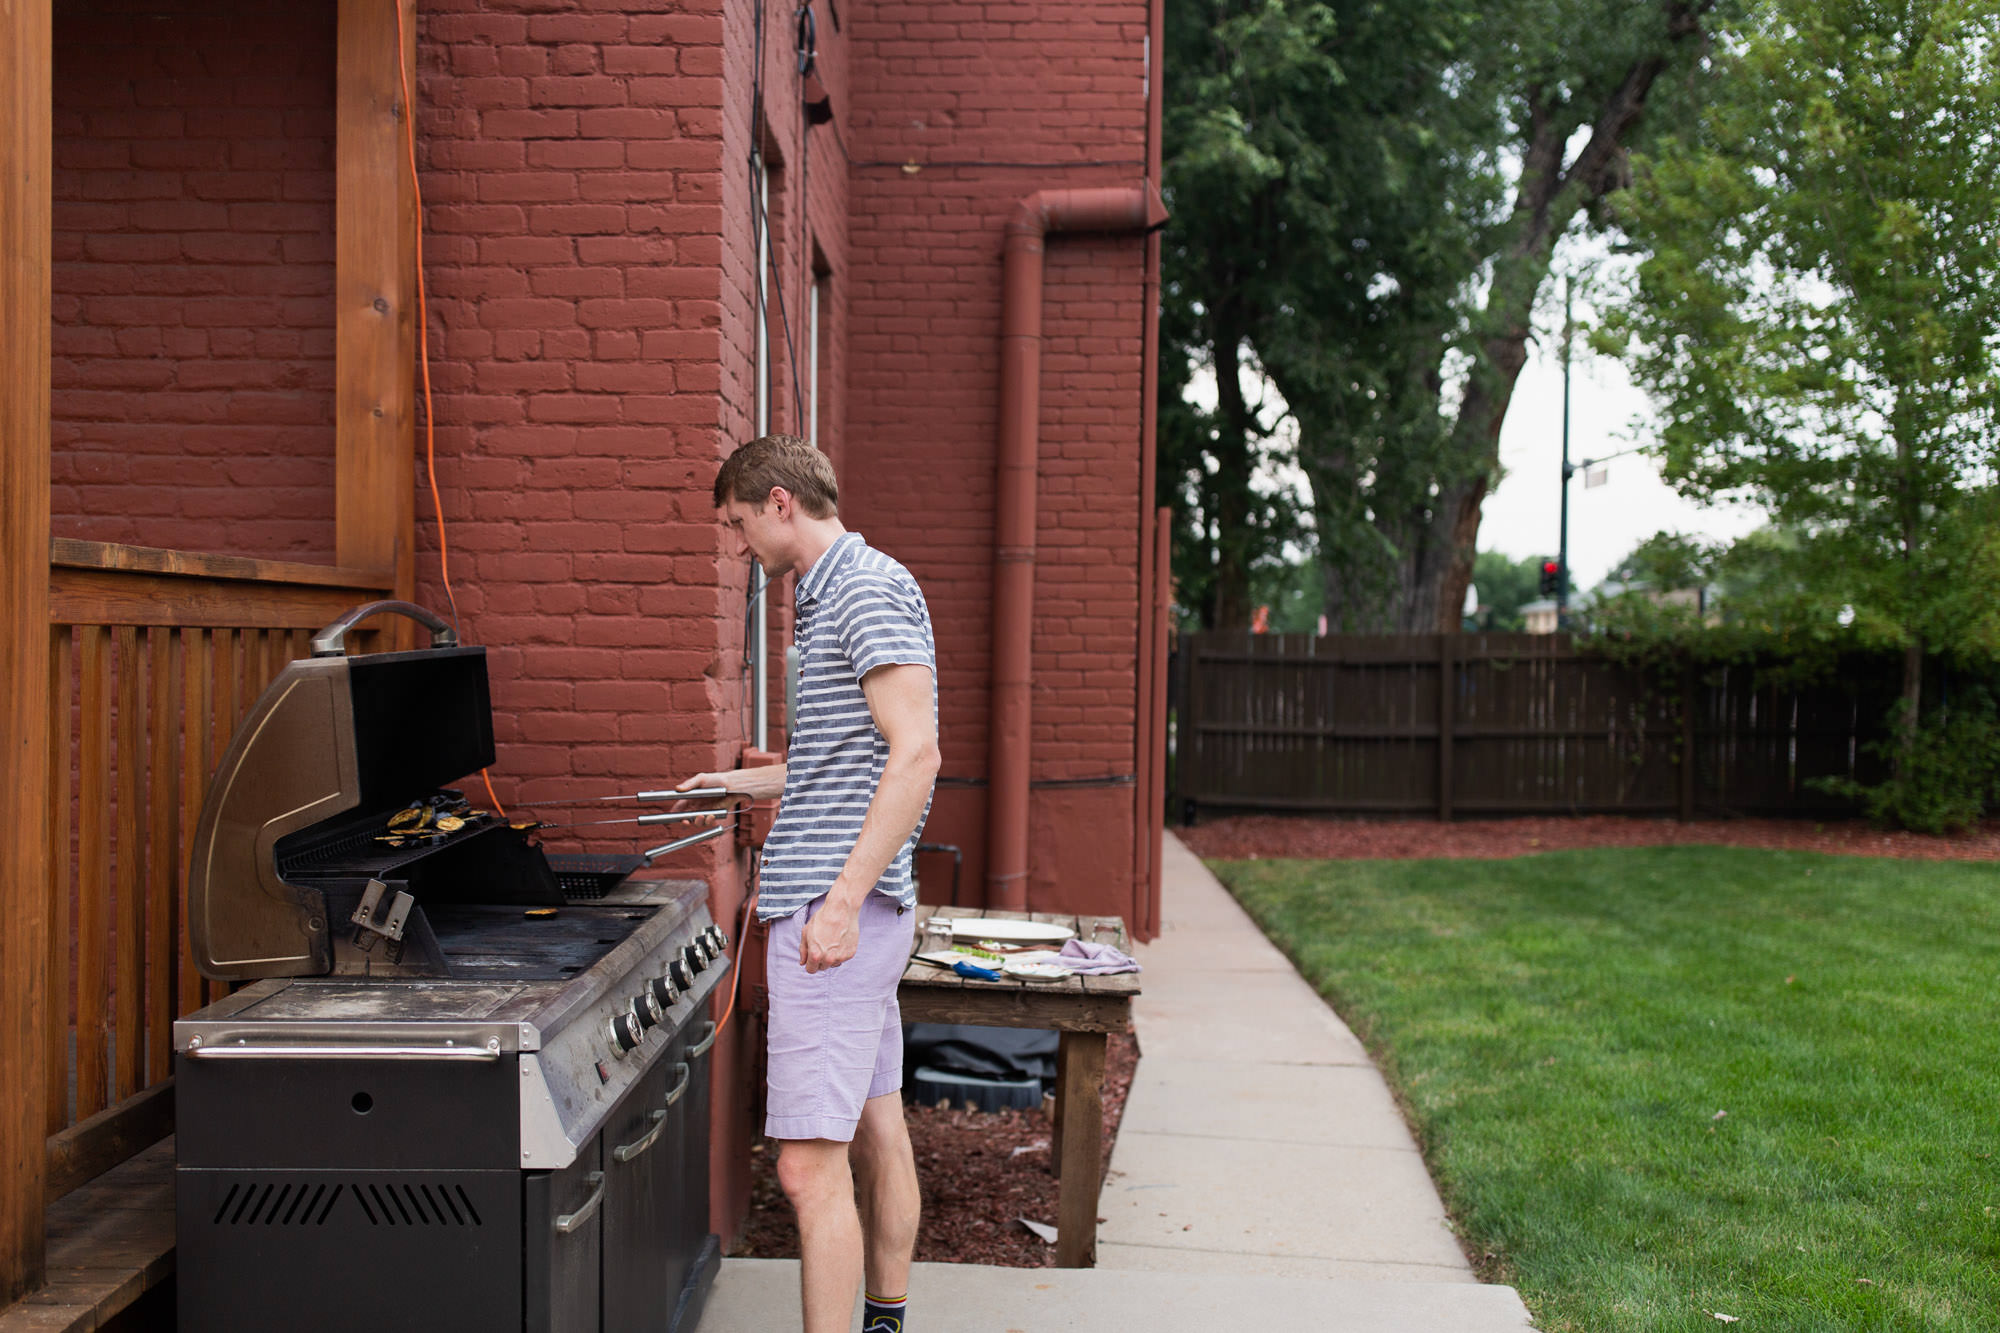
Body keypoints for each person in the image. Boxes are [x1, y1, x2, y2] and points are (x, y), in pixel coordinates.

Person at [679, 434, 939, 1333]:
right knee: (876, 1128)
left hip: (835, 920)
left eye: (740, 522)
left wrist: (835, 904)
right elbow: (849, 758)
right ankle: (885, 1324)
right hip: (847, 907)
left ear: (779, 501)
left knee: (804, 1170)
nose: (738, 542)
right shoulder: (828, 592)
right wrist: (744, 783)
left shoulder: (863, 587)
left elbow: (917, 754)